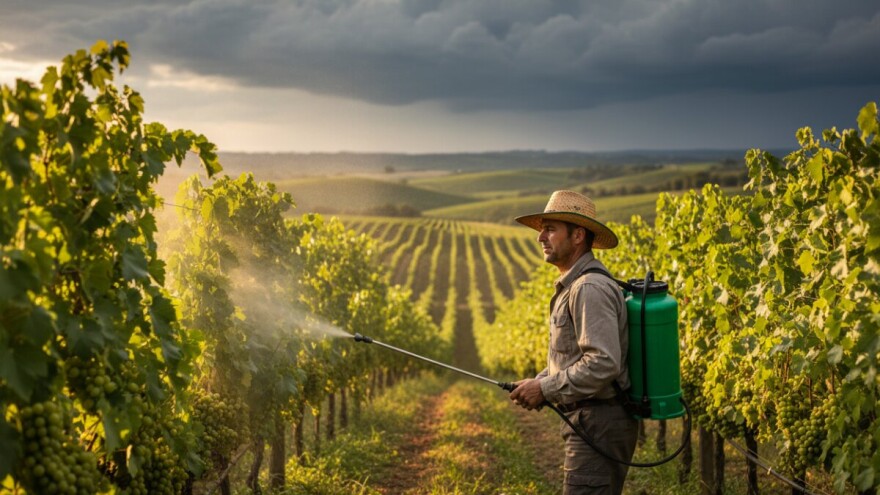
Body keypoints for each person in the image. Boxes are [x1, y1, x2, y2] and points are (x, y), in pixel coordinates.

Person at [508, 190, 638, 495]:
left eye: (550, 229)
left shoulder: (588, 288)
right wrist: (539, 381)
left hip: (599, 420)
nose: (540, 237)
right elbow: (573, 355)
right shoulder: (576, 286)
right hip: (591, 419)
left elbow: (603, 363)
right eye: (542, 228)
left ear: (578, 235)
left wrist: (544, 389)